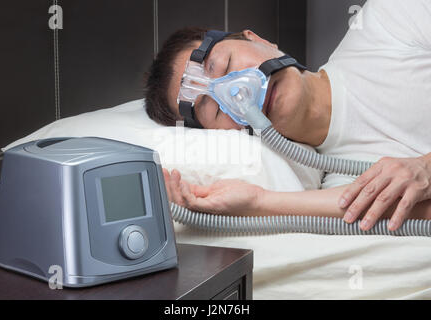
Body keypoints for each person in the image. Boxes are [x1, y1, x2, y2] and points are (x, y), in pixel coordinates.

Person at [144, 0, 431, 231]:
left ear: (258, 39)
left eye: (226, 64)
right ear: (226, 134)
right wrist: (258, 202)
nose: (238, 90)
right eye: (216, 108)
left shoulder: (389, 21)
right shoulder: (343, 185)